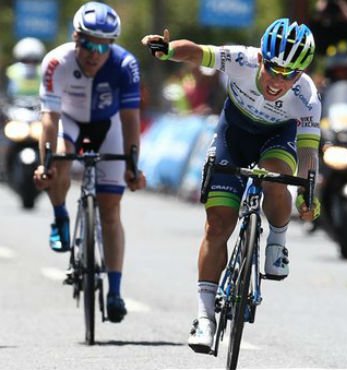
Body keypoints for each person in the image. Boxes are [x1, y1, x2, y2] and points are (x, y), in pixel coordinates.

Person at [142, 18, 321, 353]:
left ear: (300, 74)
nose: (278, 81)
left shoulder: (308, 96)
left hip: (275, 139)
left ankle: (277, 242)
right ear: (261, 59)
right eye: (273, 69)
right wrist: (167, 51)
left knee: (274, 175)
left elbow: (309, 153)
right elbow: (196, 53)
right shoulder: (241, 59)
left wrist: (310, 195)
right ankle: (205, 318)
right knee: (218, 225)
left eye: (289, 74)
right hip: (233, 136)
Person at [33, 1, 145, 323]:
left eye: (104, 45)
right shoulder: (56, 61)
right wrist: (45, 164)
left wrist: (133, 167)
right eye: (88, 43)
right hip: (68, 122)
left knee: (111, 209)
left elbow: (130, 122)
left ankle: (114, 291)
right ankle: (59, 216)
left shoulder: (126, 65)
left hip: (108, 126)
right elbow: (49, 120)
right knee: (60, 162)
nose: (95, 53)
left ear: (113, 44)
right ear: (75, 38)